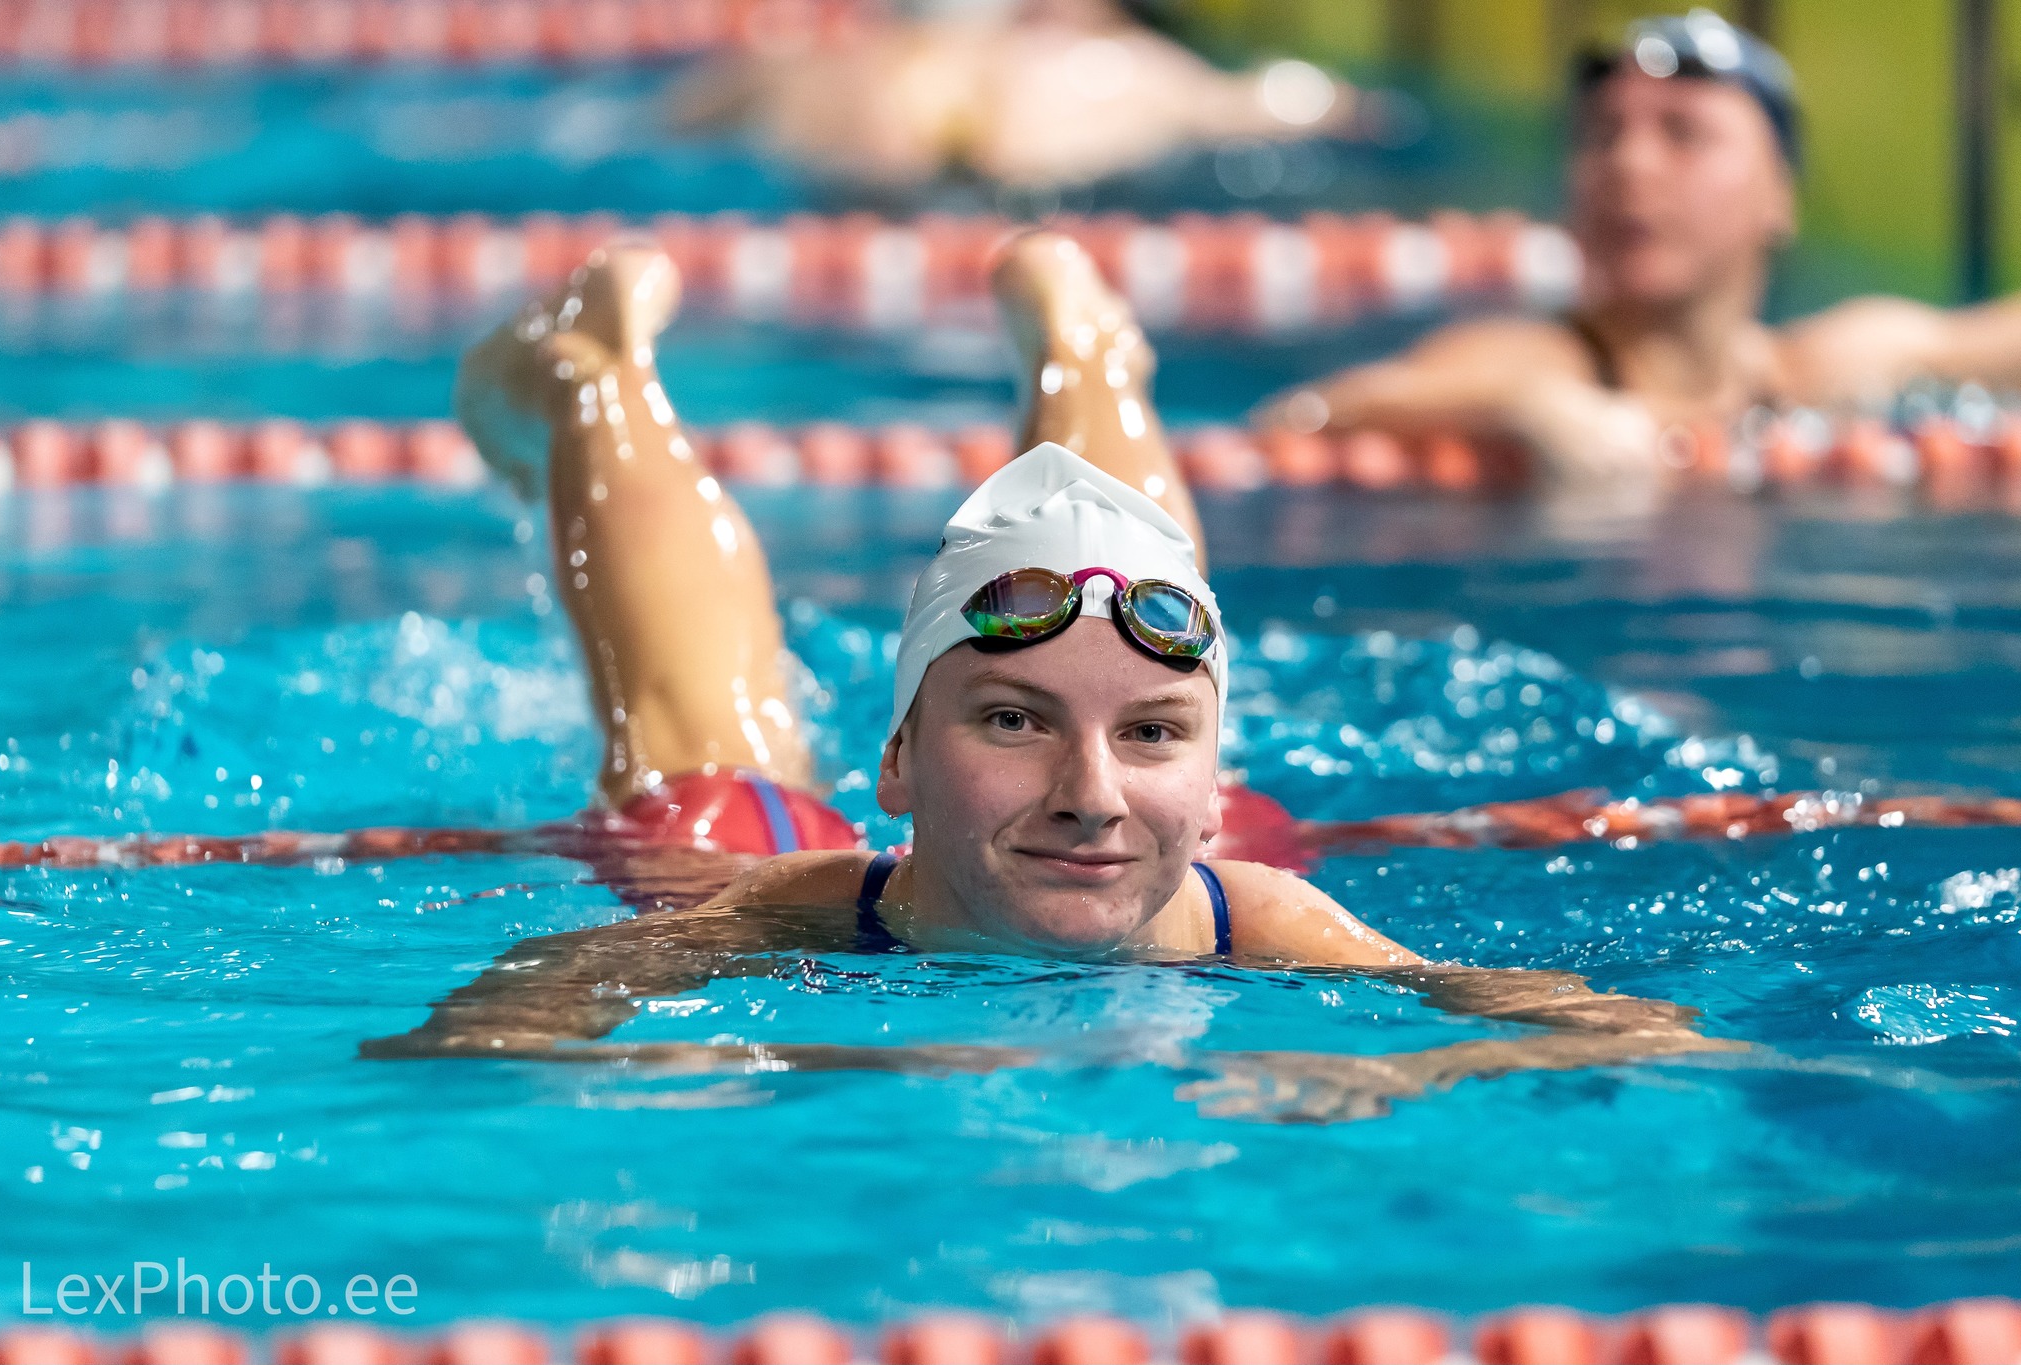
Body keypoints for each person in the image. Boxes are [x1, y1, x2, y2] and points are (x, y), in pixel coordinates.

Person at [367, 231, 1737, 1122]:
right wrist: (657, 1070)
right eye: (1015, 718)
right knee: (707, 777)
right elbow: (487, 1029)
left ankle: (1084, 345)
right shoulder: (791, 904)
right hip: (886, 880)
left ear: (1209, 777)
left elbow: (1643, 1037)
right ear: (898, 757)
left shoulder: (1259, 913)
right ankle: (593, 377)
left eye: (1152, 733)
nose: (1091, 793)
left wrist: (1397, 1063)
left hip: (1168, 859)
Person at [1263, 9, 2021, 489]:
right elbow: (1297, 420)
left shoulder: (1823, 371)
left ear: (1779, 195)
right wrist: (1513, 407)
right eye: (1602, 136)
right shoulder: (1536, 365)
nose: (1628, 165)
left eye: (1682, 133)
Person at [667, 0, 1371, 191]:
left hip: (851, 181)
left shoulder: (797, 64)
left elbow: (657, 124)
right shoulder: (1125, 68)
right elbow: (1313, 105)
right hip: (1032, 188)